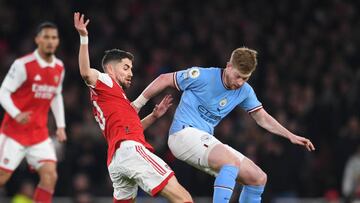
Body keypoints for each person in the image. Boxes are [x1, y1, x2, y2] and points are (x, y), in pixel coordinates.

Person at [132, 47, 316, 203]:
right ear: (228, 66)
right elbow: (165, 78)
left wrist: (290, 135)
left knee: (258, 178)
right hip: (182, 134)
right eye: (237, 76)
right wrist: (137, 104)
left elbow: (262, 118)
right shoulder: (202, 76)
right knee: (230, 161)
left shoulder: (245, 90)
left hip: (204, 140)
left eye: (245, 78)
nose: (240, 83)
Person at [74, 12, 193, 203]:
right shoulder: (105, 81)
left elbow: (130, 129)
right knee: (184, 198)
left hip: (116, 160)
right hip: (130, 151)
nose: (131, 73)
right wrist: (83, 36)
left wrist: (154, 116)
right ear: (111, 69)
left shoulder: (116, 100)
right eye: (126, 67)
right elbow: (86, 73)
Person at [0, 22, 66, 203]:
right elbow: (3, 92)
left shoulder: (59, 67)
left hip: (39, 134)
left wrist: (61, 126)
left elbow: (56, 95)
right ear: (37, 40)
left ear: (58, 41)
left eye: (54, 37)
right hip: (14, 132)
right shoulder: (23, 65)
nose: (50, 41)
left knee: (50, 175)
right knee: (2, 178)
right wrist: (16, 114)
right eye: (46, 37)